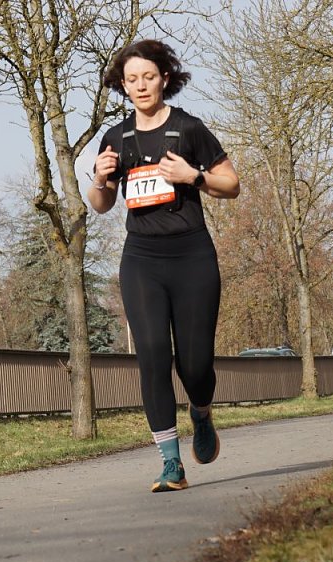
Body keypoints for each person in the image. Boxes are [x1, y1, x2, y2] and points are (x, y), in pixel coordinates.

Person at [87, 39, 241, 493]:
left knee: (195, 364)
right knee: (153, 355)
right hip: (142, 259)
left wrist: (194, 176)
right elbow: (101, 204)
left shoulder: (189, 128)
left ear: (165, 79)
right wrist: (99, 178)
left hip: (192, 256)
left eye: (148, 77)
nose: (141, 86)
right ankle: (171, 463)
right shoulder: (116, 138)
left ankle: (201, 410)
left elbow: (231, 184)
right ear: (122, 85)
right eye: (131, 79)